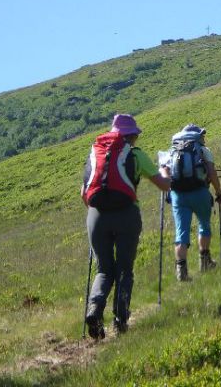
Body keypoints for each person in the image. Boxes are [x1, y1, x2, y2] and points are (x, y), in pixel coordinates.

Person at [82, 114, 171, 339]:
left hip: (97, 215)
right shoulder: (135, 154)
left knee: (103, 269)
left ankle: (94, 310)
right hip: (126, 214)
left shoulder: (95, 152)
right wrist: (166, 171)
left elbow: (84, 193)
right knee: (124, 269)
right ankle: (120, 320)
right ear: (132, 136)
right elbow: (163, 185)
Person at [166, 124, 221, 282]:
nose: (203, 137)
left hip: (178, 195)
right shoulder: (203, 150)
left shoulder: (172, 151)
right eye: (202, 135)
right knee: (204, 226)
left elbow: (164, 172)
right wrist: (218, 192)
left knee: (181, 231)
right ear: (197, 136)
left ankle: (181, 270)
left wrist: (168, 190)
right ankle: (205, 261)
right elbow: (212, 173)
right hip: (200, 192)